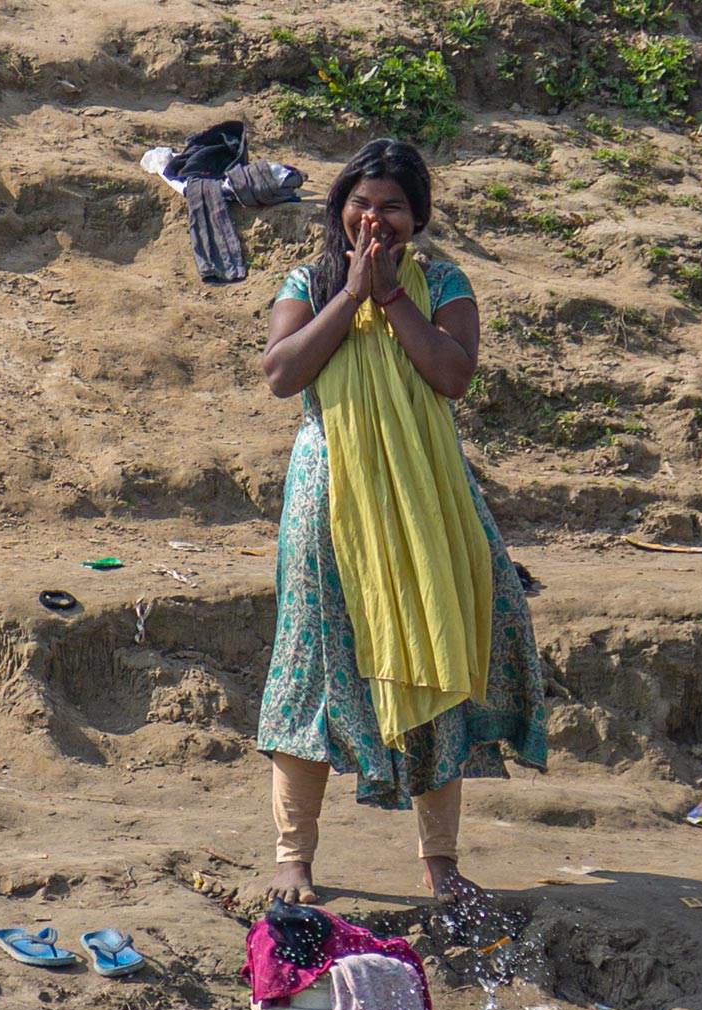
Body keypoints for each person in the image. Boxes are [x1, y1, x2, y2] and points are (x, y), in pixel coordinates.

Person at [256, 139, 548, 906]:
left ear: (416, 216)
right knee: (312, 666)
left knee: (438, 655)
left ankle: (440, 859)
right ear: (339, 209)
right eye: (361, 202)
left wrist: (392, 299)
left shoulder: (443, 281)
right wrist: (349, 296)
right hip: (331, 498)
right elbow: (283, 372)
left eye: (391, 205)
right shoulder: (310, 280)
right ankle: (294, 857)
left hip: (429, 500)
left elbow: (452, 373)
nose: (374, 218)